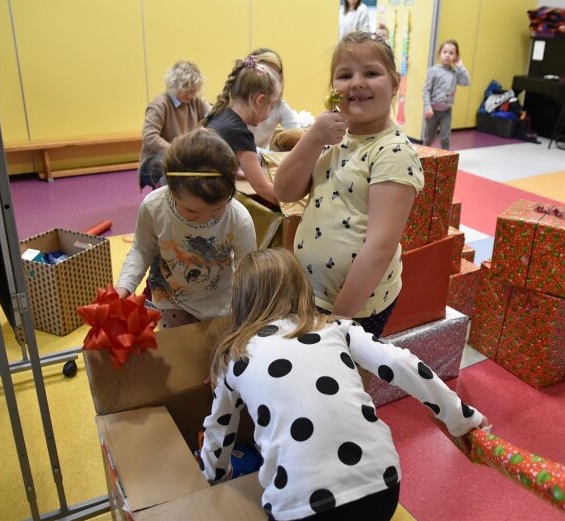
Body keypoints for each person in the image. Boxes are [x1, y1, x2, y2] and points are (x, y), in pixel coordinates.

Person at [200, 248, 489, 521]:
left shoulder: (234, 356)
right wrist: (460, 418)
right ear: (302, 289)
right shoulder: (336, 327)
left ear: (240, 302)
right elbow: (402, 365)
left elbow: (220, 429)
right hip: (381, 489)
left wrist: (216, 479)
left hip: (300, 508)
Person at [273, 31, 424, 337]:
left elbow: (380, 247)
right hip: (308, 292)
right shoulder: (332, 138)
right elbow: (284, 191)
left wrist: (337, 321)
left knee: (339, 377)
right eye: (345, 75)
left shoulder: (392, 152)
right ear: (333, 90)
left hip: (354, 307)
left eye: (371, 73)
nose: (357, 82)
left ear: (394, 83)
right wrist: (314, 137)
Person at [116, 129, 256, 329]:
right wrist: (124, 287)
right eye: (192, 211)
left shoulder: (239, 219)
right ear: (171, 191)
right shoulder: (154, 207)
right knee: (175, 353)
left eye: (217, 210)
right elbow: (141, 249)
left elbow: (247, 273)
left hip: (220, 307)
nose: (204, 219)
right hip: (170, 303)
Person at [202, 52, 282, 205]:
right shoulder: (239, 133)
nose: (271, 112)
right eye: (272, 106)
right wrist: (294, 205)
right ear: (260, 100)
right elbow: (261, 187)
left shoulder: (221, 114)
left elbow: (221, 169)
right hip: (202, 200)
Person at [139, 61, 211, 190]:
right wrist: (175, 150)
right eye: (188, 91)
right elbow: (149, 136)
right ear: (175, 87)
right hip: (159, 156)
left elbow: (212, 117)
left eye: (194, 90)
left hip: (185, 153)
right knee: (164, 166)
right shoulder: (159, 104)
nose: (192, 95)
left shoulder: (196, 100)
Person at [248, 48, 301, 150]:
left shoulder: (279, 105)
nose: (269, 81)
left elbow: (297, 133)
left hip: (260, 160)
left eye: (274, 75)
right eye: (266, 74)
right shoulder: (241, 105)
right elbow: (238, 144)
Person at [422, 39, 470, 150]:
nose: (447, 55)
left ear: (456, 56)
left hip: (446, 112)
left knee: (445, 137)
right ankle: (421, 157)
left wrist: (460, 66)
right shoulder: (433, 71)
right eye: (445, 52)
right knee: (429, 138)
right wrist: (427, 107)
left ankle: (446, 160)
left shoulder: (455, 73)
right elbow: (426, 91)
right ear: (440, 53)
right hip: (432, 111)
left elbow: (466, 82)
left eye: (451, 53)